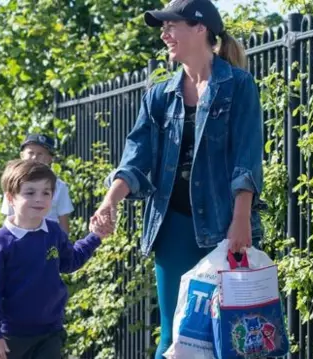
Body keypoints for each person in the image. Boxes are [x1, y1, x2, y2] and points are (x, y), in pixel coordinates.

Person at [93, 1, 264, 357]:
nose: (164, 34)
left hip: (226, 228)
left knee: (230, 336)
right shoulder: (159, 96)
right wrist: (110, 200)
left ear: (200, 28)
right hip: (171, 229)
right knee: (174, 335)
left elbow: (246, 158)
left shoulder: (238, 86)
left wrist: (242, 218)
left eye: (171, 26)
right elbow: (136, 159)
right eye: (162, 28)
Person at [0, 159, 112, 359]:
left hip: (50, 331)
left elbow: (71, 261)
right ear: (11, 197)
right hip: (11, 336)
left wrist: (95, 237)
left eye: (46, 193)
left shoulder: (53, 232)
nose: (39, 199)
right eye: (30, 193)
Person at [0, 134, 74, 233]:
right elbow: (8, 217)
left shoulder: (59, 186)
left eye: (40, 154)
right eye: (30, 153)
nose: (35, 157)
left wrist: (64, 246)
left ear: (50, 158)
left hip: (49, 239)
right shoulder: (13, 183)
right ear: (22, 155)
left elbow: (63, 220)